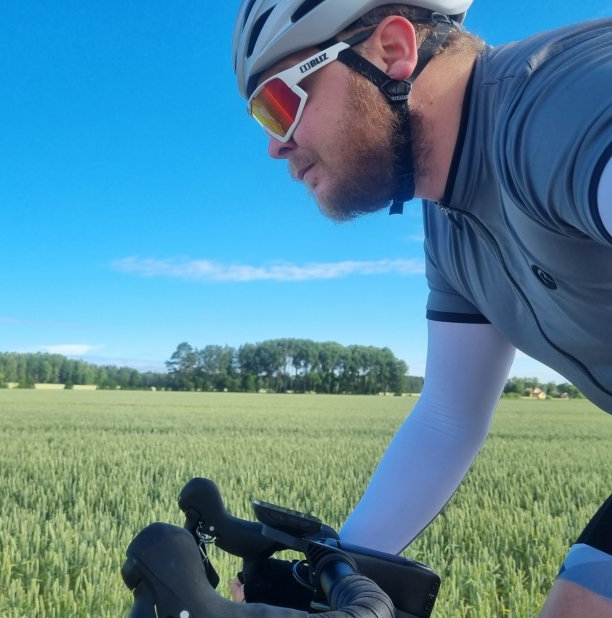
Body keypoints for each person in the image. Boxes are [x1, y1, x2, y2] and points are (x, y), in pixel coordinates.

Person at [230, 1, 612, 616]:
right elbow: (446, 420)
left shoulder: (559, 105)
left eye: (279, 103)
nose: (277, 145)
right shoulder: (452, 224)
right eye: (263, 119)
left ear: (392, 51)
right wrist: (326, 577)